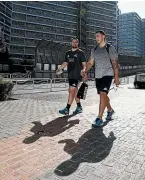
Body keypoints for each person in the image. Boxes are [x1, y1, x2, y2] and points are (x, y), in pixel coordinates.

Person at [81, 30, 119, 127]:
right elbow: (90, 62)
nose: (96, 38)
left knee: (103, 94)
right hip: (98, 76)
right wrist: (85, 69)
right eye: (95, 36)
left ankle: (99, 118)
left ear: (103, 36)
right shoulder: (94, 50)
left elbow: (115, 63)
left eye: (98, 36)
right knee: (103, 95)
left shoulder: (110, 48)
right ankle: (110, 110)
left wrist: (116, 77)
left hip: (108, 74)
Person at [56, 38, 87, 115]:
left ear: (78, 43)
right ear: (71, 43)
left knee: (71, 90)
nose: (74, 43)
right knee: (74, 91)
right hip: (70, 75)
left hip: (77, 75)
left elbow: (84, 64)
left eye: (76, 42)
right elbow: (66, 63)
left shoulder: (80, 53)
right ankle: (79, 107)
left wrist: (84, 72)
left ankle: (67, 109)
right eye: (73, 42)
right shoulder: (68, 53)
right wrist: (59, 68)